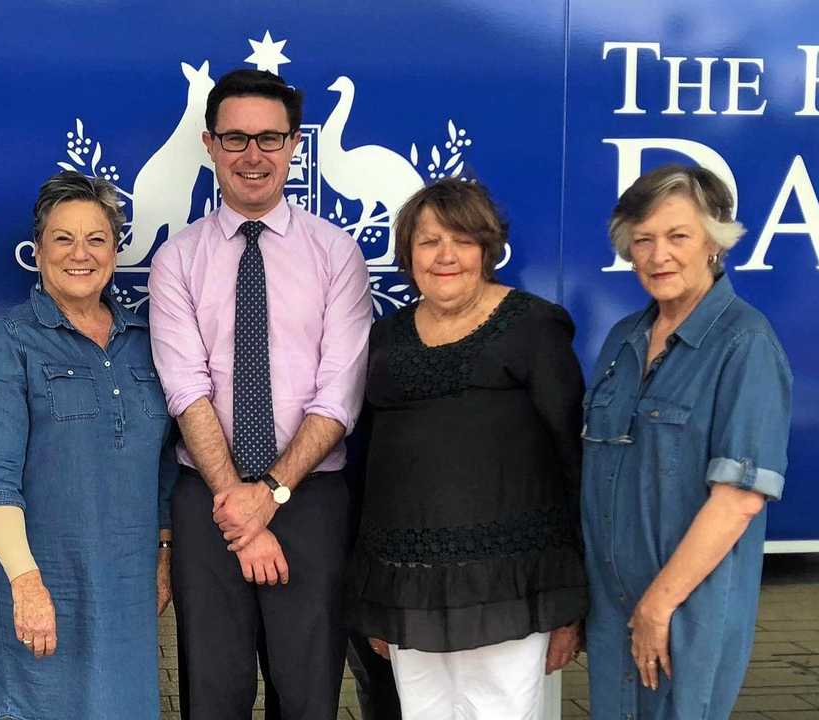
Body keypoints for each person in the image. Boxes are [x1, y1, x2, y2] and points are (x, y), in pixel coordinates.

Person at [148, 69, 372, 720]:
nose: (253, 156)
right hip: (206, 502)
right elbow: (187, 392)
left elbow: (338, 396)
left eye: (270, 138)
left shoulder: (337, 254)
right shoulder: (177, 260)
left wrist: (269, 494)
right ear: (209, 144)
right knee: (212, 696)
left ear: (295, 143)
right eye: (236, 138)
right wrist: (237, 509)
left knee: (307, 698)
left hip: (310, 501)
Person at [345, 178, 587, 719]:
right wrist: (375, 596)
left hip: (510, 581)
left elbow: (572, 458)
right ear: (408, 254)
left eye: (462, 239)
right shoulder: (386, 337)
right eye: (429, 241)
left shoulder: (533, 326)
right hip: (407, 583)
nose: (446, 255)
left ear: (488, 248)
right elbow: (370, 465)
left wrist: (570, 599)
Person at [0, 170, 175, 719]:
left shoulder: (148, 343)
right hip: (41, 589)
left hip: (127, 593)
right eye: (63, 238)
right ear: (38, 251)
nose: (80, 253)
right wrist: (27, 584)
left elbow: (164, 469)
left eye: (96, 239)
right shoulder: (9, 345)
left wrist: (164, 556)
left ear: (116, 251)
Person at [582, 164, 792, 719]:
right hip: (614, 614)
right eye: (643, 240)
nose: (658, 256)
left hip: (685, 614)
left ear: (714, 244)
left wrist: (658, 605)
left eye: (678, 237)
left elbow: (739, 499)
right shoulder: (622, 339)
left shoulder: (746, 345)